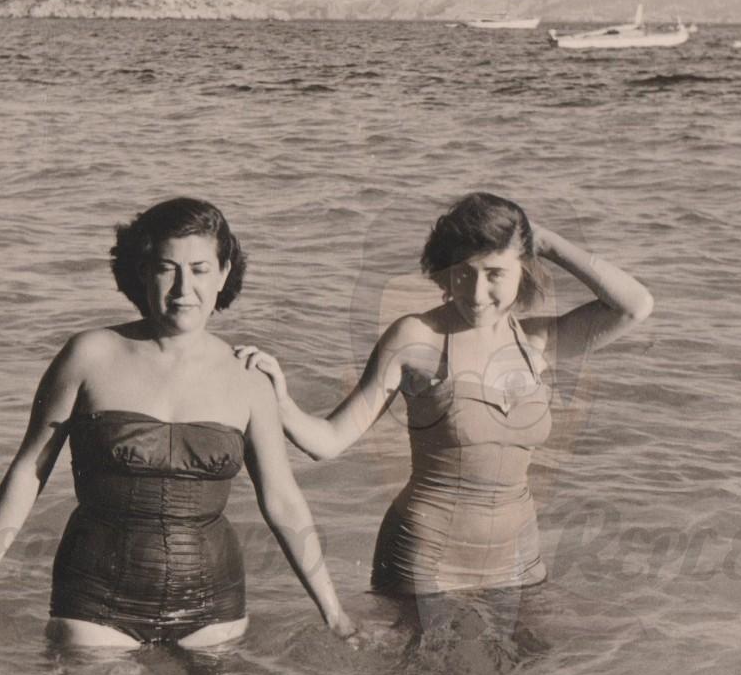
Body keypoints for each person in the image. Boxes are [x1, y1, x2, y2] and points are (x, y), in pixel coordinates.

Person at [0, 198, 355, 648]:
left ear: (225, 273)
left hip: (214, 611)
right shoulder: (89, 356)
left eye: (201, 269)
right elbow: (27, 473)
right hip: (94, 602)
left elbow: (284, 501)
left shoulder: (249, 377)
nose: (183, 287)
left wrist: (334, 613)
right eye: (167, 267)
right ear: (141, 270)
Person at [236, 192, 653, 603]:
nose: (475, 292)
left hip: (519, 560)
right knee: (416, 673)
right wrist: (282, 402)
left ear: (524, 269)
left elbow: (634, 306)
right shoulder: (417, 338)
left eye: (494, 273)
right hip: (426, 561)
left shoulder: (537, 343)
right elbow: (328, 441)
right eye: (463, 273)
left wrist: (545, 242)